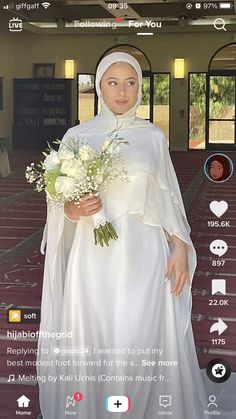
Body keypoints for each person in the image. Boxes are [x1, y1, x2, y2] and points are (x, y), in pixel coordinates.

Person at [37, 52, 207, 418]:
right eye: (113, 82)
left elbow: (169, 199)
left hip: (143, 255)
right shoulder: (77, 136)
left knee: (139, 327)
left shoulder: (152, 137)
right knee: (95, 332)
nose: (122, 91)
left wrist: (178, 246)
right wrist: (73, 209)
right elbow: (58, 203)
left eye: (131, 82)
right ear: (98, 86)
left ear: (141, 88)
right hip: (92, 258)